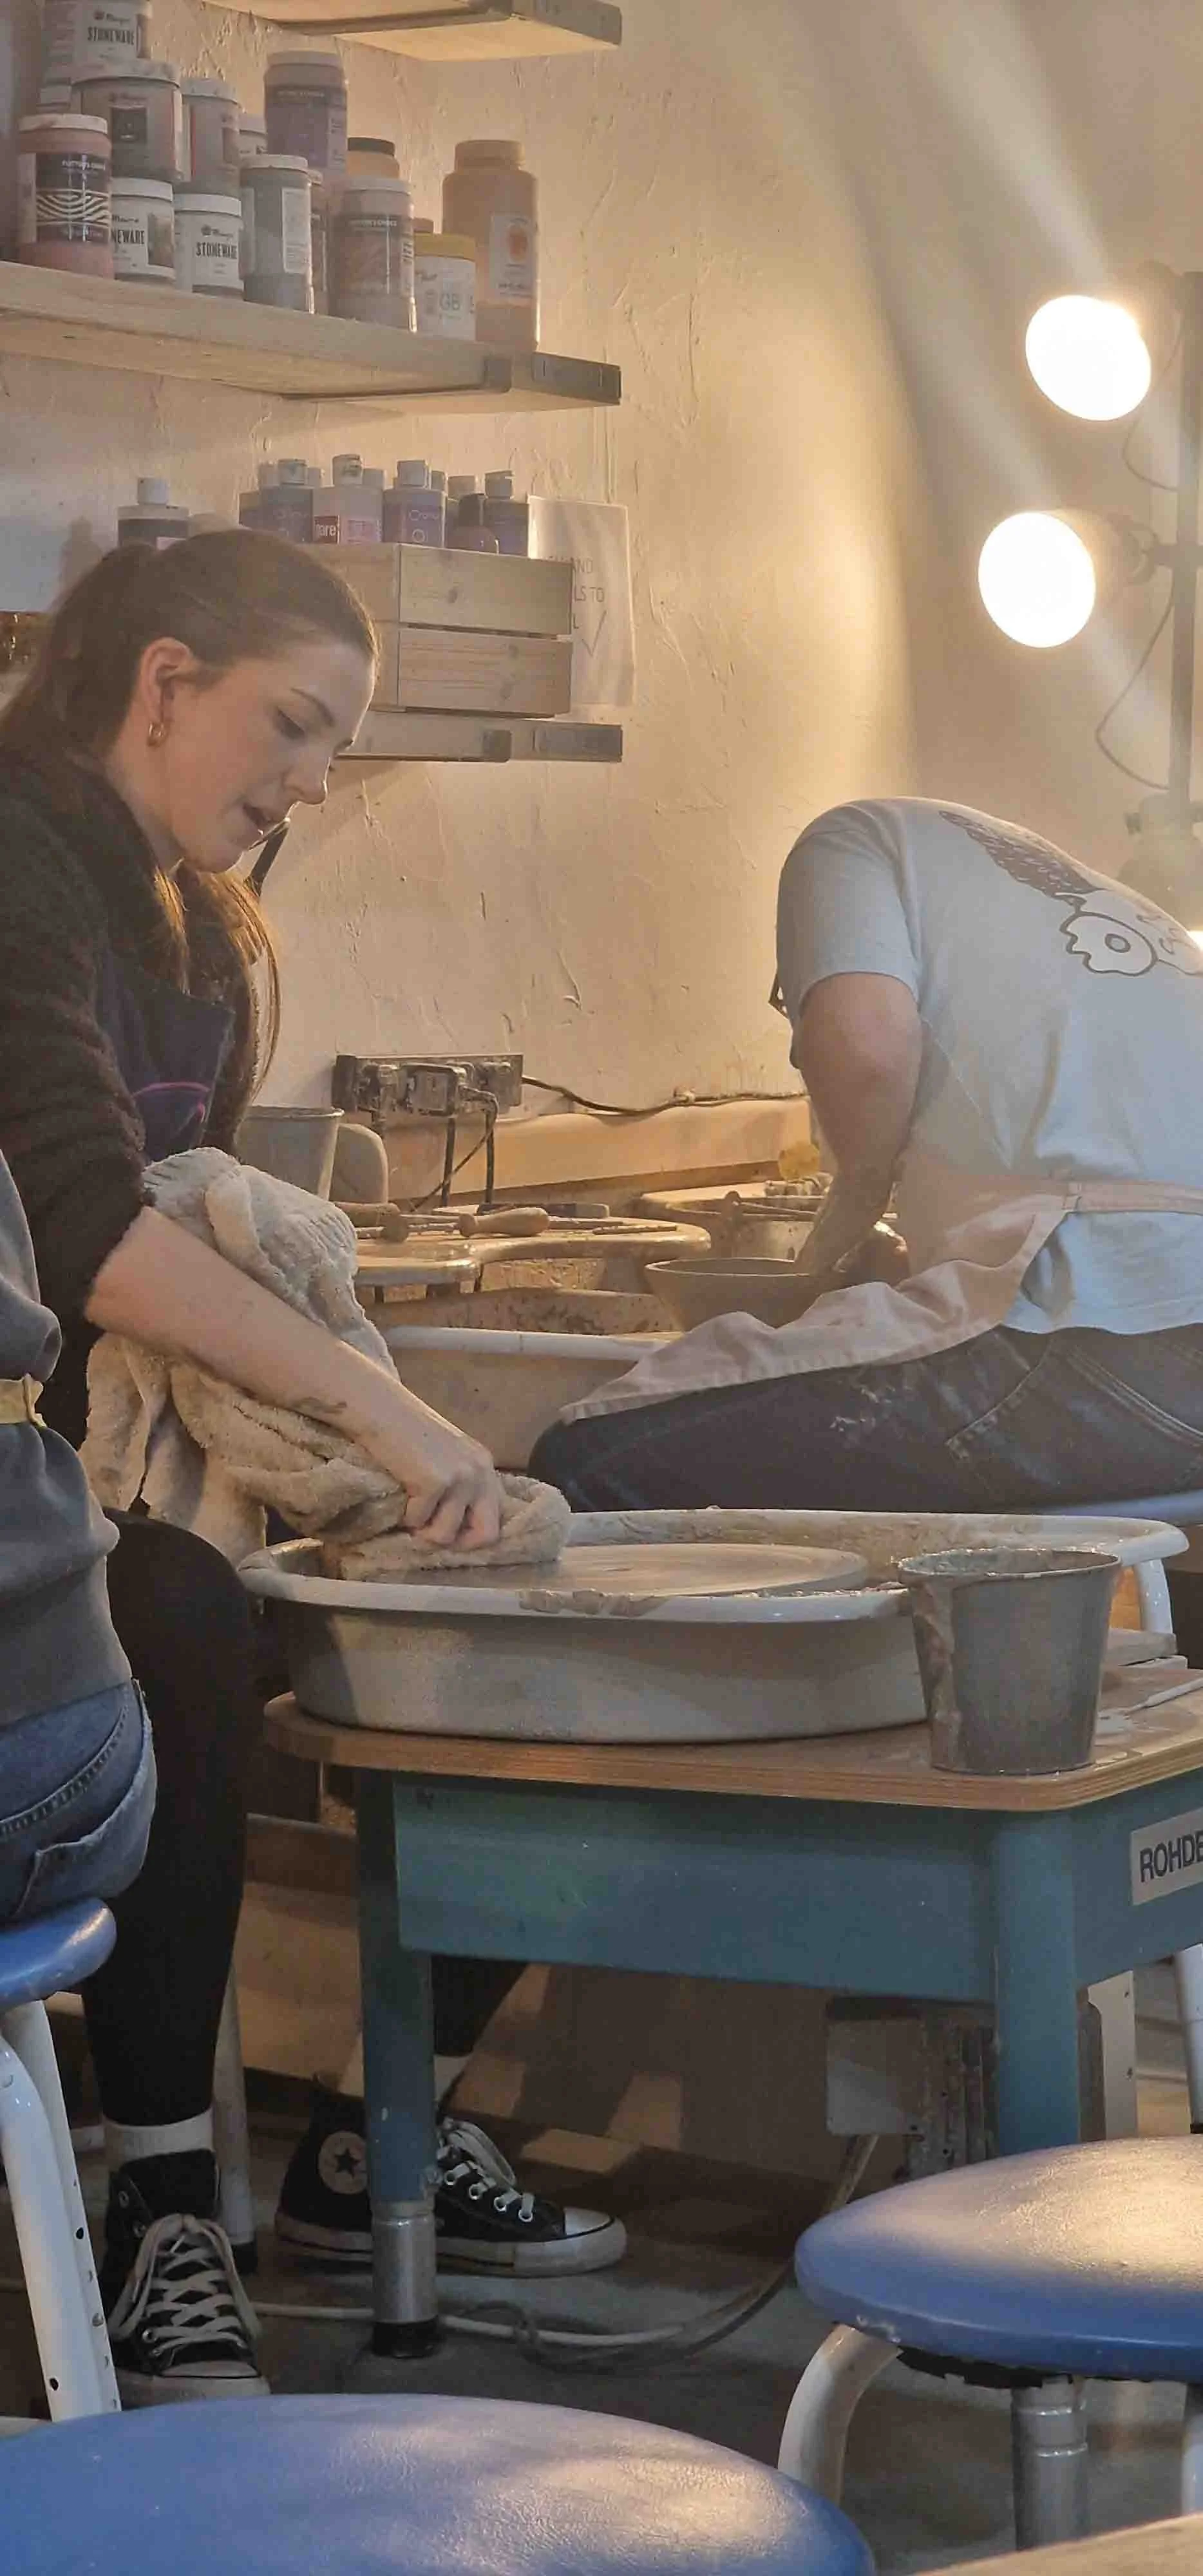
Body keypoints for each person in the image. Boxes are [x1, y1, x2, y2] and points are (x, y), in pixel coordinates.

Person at [0, 531, 622, 2407]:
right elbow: (93, 1231)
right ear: (162, 677)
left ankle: (376, 2137)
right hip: (28, 1469)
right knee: (177, 1616)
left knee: (510, 1609)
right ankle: (162, 2193)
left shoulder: (209, 920)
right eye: (289, 725)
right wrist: (388, 1415)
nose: (307, 779)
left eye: (332, 743)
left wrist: (369, 1440)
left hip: (159, 1435)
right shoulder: (18, 858)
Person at [533, 796, 1203, 1511]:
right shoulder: (1099, 915)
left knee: (587, 1460)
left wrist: (845, 1217)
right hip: (1152, 1341)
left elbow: (865, 1051)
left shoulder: (847, 840)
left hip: (1123, 1335)